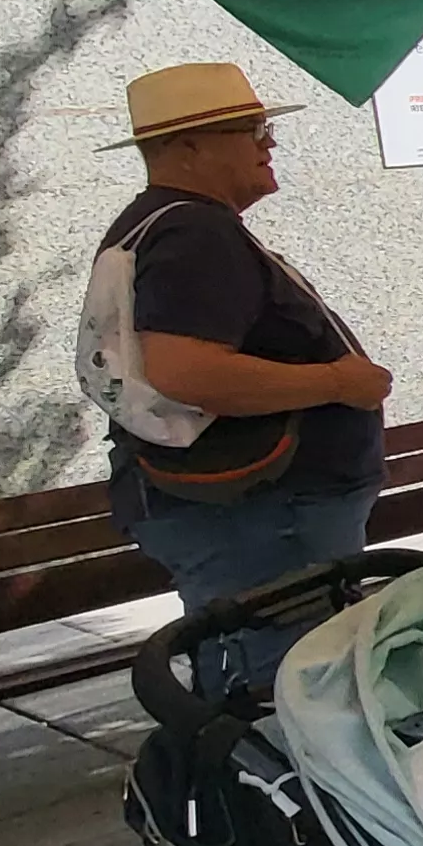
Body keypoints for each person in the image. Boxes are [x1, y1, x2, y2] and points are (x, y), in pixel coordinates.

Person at [92, 63, 392, 648]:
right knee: (286, 682)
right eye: (252, 130)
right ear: (189, 149)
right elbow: (185, 370)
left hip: (248, 509)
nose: (270, 142)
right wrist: (338, 382)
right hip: (260, 515)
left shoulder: (162, 226)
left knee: (277, 675)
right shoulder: (194, 232)